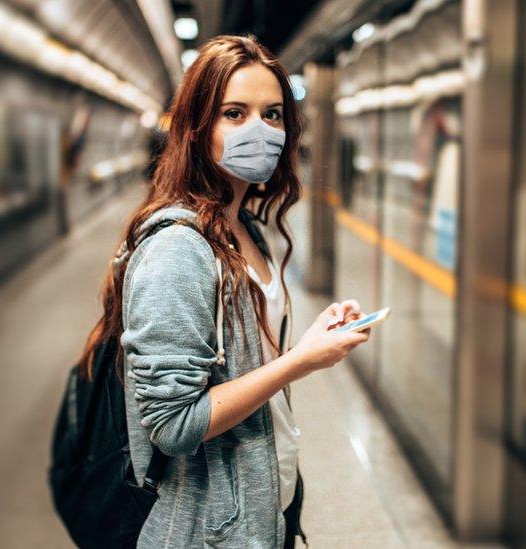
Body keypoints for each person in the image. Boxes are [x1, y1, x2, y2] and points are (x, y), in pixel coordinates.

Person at [76, 35, 370, 548]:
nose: (260, 130)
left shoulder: (248, 230)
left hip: (262, 504)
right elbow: (172, 424)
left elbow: (252, 359)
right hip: (203, 528)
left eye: (273, 114)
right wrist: (301, 361)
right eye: (234, 113)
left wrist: (310, 340)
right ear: (197, 128)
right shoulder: (178, 251)